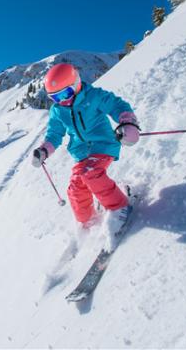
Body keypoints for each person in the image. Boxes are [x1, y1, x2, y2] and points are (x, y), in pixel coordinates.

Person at [31, 63, 139, 244]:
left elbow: (117, 105)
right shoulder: (57, 110)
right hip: (81, 152)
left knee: (91, 172)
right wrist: (44, 150)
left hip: (103, 145)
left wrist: (127, 123)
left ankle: (120, 208)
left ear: (76, 84)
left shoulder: (93, 96)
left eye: (65, 94)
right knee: (75, 187)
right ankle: (88, 221)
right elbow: (54, 134)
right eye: (55, 98)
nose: (62, 101)